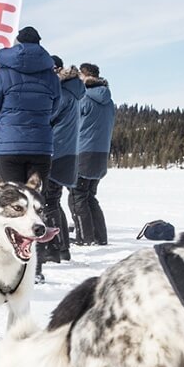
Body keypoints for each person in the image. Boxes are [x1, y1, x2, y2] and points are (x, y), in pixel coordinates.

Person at [0, 26, 60, 185]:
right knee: (36, 203)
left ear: (17, 44)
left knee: (13, 203)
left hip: (9, 145)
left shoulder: (3, 74)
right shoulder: (51, 76)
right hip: (41, 145)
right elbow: (55, 109)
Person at [41, 57, 84, 267]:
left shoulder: (62, 94)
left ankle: (56, 249)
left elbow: (46, 117)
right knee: (53, 201)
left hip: (56, 151)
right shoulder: (73, 92)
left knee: (49, 201)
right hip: (66, 152)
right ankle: (63, 248)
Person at [71, 63, 115, 246]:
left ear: (85, 76)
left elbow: (73, 122)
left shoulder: (84, 99)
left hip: (84, 151)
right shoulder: (108, 100)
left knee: (77, 195)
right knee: (89, 195)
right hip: (101, 153)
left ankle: (85, 237)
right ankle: (100, 236)